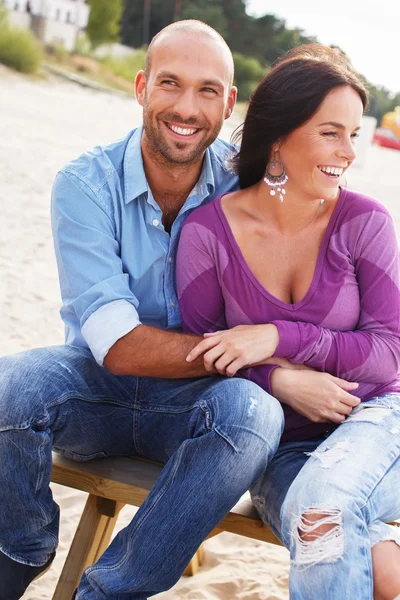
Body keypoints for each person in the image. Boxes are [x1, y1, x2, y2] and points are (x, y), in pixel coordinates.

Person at [0, 21, 352, 600]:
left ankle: (109, 591)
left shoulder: (253, 183)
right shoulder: (85, 184)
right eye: (170, 83)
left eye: (208, 90)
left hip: (199, 408)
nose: (187, 108)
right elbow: (118, 346)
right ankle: (19, 549)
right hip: (96, 389)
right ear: (141, 87)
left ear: (229, 101)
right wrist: (257, 361)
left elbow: (309, 291)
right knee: (12, 384)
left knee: (253, 417)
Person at [177, 44, 400, 600]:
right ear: (278, 136)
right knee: (331, 535)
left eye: (353, 133)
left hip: (380, 417)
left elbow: (390, 350)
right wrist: (279, 380)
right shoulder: (208, 234)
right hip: (285, 449)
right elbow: (200, 357)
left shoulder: (365, 221)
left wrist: (278, 338)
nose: (349, 152)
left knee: (323, 510)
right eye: (331, 132)